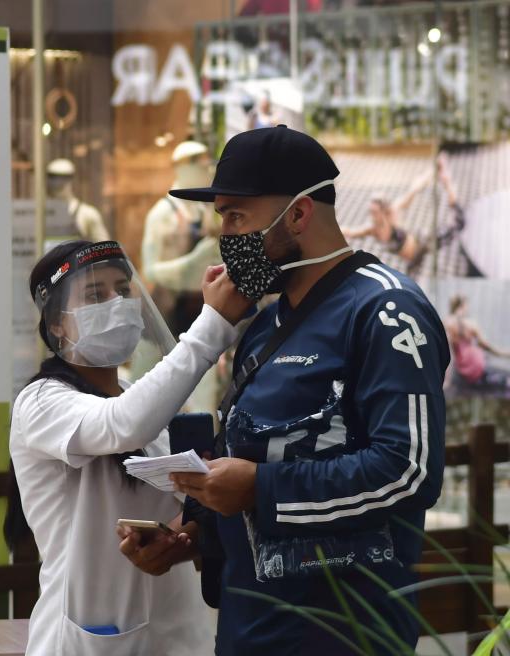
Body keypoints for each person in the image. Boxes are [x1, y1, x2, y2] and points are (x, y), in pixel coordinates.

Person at [119, 126, 448, 654]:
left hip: (346, 632)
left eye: (236, 217)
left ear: (298, 214)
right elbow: (256, 457)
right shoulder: (263, 327)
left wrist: (261, 489)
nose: (223, 236)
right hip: (251, 627)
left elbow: (407, 472)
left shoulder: (385, 311)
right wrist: (191, 534)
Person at [7, 239, 251, 655]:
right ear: (58, 326)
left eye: (122, 290)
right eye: (95, 295)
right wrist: (211, 326)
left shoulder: (138, 397)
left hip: (177, 632)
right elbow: (123, 425)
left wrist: (185, 533)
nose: (116, 304)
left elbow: (172, 503)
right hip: (90, 638)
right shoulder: (42, 402)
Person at [138, 141, 225, 417]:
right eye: (201, 165)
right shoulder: (161, 214)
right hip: (160, 315)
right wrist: (193, 262)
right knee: (139, 391)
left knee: (204, 398)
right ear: (182, 168)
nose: (206, 171)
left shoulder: (204, 211)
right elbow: (151, 271)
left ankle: (203, 455)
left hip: (196, 312)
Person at [342, 153, 467, 276]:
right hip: (413, 260)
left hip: (422, 244)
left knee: (458, 223)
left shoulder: (393, 213)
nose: (372, 216)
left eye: (375, 212)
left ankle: (447, 182)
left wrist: (433, 169)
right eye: (371, 212)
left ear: (383, 211)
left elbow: (414, 189)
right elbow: (350, 232)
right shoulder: (372, 229)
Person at [445, 294, 510, 394]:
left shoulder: (447, 323)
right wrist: (503, 354)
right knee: (503, 380)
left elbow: (446, 352)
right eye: (467, 305)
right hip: (477, 364)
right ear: (462, 305)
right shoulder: (471, 323)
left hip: (463, 368)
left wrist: (447, 380)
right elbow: (485, 345)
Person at [46, 159, 111, 242]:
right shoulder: (39, 213)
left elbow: (104, 247)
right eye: (52, 177)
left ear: (72, 180)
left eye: (64, 178)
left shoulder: (87, 213)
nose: (57, 182)